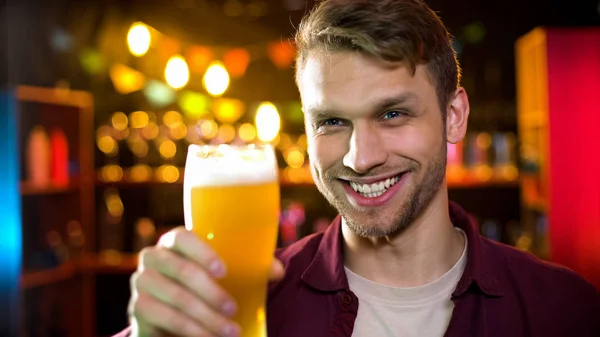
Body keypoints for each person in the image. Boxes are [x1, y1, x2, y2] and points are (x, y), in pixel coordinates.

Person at [115, 0, 600, 336]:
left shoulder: (564, 308)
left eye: (392, 114)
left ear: (454, 116)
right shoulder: (237, 307)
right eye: (330, 121)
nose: (360, 158)